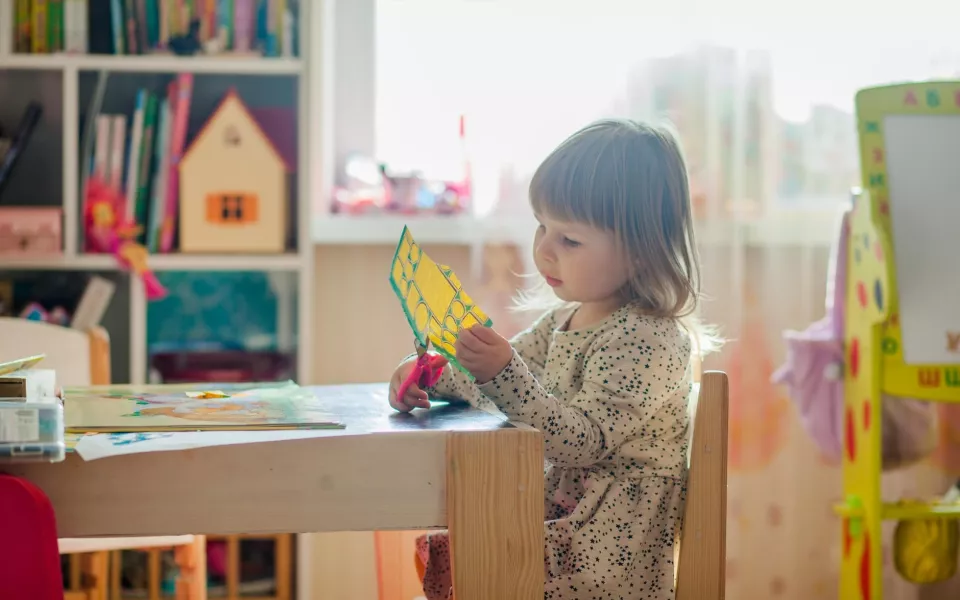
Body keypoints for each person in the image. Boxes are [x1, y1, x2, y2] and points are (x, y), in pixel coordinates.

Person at [388, 118, 721, 600]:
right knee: (470, 538)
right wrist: (433, 375)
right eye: (543, 226)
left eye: (570, 240)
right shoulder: (567, 319)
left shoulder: (650, 339)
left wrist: (502, 373)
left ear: (641, 253)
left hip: (603, 557)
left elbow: (581, 440)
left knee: (479, 551)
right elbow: (502, 383)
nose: (543, 249)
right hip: (564, 525)